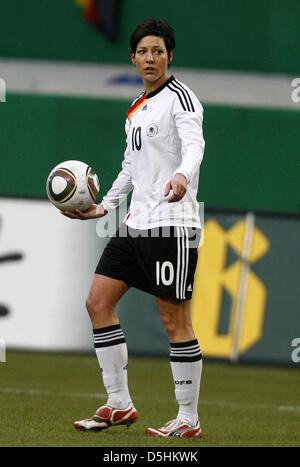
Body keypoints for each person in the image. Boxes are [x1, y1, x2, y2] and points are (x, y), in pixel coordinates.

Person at [62, 18, 205, 438]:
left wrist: (182, 175)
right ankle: (119, 403)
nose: (150, 58)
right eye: (143, 51)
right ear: (133, 57)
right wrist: (103, 206)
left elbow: (195, 144)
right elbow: (129, 167)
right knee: (97, 303)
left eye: (157, 51)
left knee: (173, 319)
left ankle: (188, 419)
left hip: (172, 224)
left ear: (170, 55)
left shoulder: (182, 98)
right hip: (134, 224)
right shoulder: (138, 106)